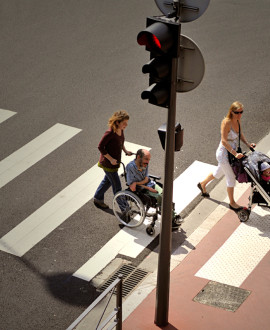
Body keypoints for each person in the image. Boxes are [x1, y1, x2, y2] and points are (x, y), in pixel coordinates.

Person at [197, 101, 256, 211]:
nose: (240, 114)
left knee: (219, 172)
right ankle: (232, 203)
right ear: (231, 112)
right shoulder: (226, 122)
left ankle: (202, 184)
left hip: (232, 154)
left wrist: (248, 145)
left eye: (241, 112)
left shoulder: (238, 120)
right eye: (237, 112)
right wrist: (235, 153)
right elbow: (224, 141)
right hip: (224, 154)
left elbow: (240, 134)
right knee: (231, 178)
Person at [126, 149, 182, 228]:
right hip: (141, 190)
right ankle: (171, 217)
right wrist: (148, 188)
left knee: (166, 194)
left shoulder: (144, 164)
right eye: (146, 159)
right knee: (160, 197)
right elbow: (132, 186)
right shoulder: (130, 167)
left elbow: (146, 179)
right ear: (138, 157)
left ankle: (171, 215)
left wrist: (138, 183)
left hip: (149, 184)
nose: (148, 162)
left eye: (149, 160)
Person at [94, 110, 132, 209]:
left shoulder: (121, 130)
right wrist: (110, 159)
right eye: (124, 123)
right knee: (117, 188)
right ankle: (125, 209)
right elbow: (100, 147)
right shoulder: (110, 133)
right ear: (117, 122)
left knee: (107, 181)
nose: (126, 125)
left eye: (126, 123)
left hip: (115, 163)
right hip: (108, 164)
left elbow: (120, 142)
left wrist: (125, 151)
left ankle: (98, 198)